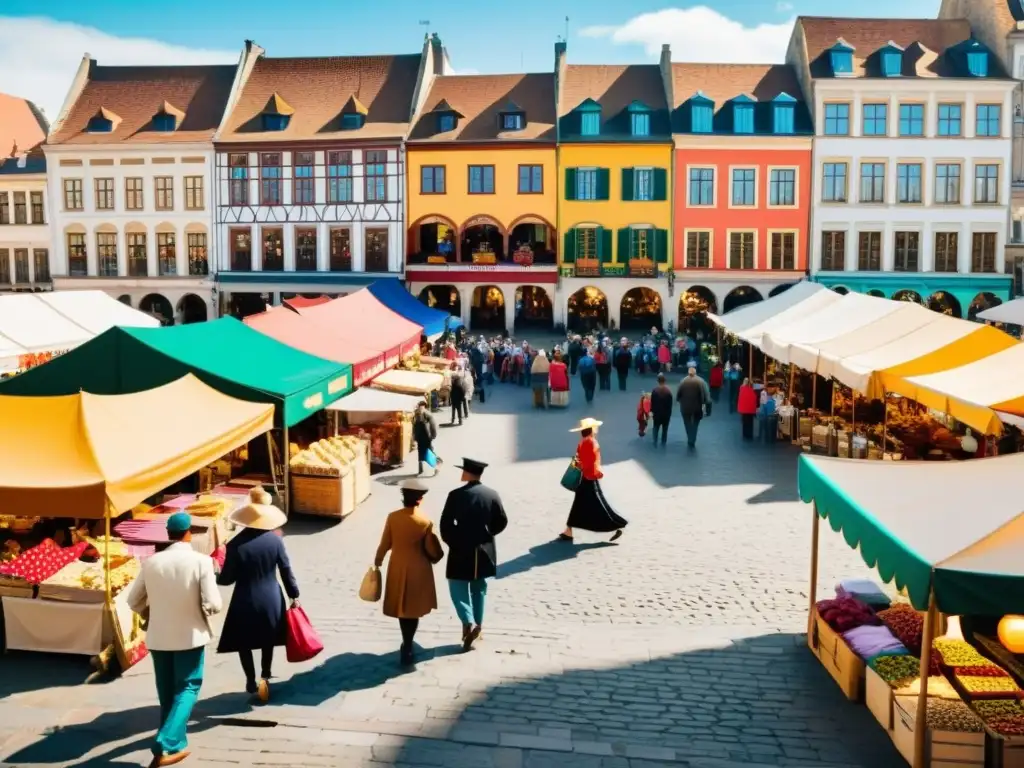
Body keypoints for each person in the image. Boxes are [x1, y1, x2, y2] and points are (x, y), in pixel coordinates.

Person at [127, 512, 222, 767]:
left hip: (159, 637)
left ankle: (174, 743)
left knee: (167, 691)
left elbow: (133, 601)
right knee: (189, 687)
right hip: (189, 636)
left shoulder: (151, 563)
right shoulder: (201, 561)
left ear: (168, 535)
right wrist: (203, 610)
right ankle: (165, 742)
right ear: (189, 532)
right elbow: (214, 603)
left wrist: (153, 611)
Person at [216, 487, 299, 703]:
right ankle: (265, 675)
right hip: (271, 596)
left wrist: (216, 570)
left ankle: (250, 678)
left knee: (244, 642)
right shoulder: (276, 541)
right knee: (267, 640)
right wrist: (294, 595)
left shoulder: (235, 545)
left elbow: (226, 580)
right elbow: (286, 570)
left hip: (244, 598)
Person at [439, 458, 508, 651]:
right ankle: (478, 625)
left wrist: (452, 541)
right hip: (484, 550)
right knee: (479, 589)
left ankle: (467, 621)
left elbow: (445, 523)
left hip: (461, 548)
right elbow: (502, 521)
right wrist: (488, 533)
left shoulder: (455, 495)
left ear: (468, 473)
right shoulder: (492, 495)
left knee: (457, 586)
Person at [375, 479, 442, 666]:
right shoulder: (425, 521)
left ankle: (406, 642)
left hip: (397, 567)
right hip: (419, 569)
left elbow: (385, 543)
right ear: (420, 500)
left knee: (401, 607)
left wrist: (377, 561)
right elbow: (432, 549)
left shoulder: (392, 517)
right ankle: (409, 644)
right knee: (413, 610)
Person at [561, 418, 627, 543]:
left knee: (592, 505)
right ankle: (568, 531)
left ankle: (616, 526)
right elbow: (590, 460)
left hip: (586, 477)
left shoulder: (584, 442)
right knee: (590, 504)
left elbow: (581, 461)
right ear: (591, 429)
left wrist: (578, 465)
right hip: (590, 477)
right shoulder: (591, 442)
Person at [676, 366, 712, 449]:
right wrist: (708, 409)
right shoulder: (701, 381)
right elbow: (707, 397)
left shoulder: (683, 381)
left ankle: (690, 437)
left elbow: (678, 395)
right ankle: (692, 439)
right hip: (697, 407)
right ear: (695, 373)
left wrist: (680, 400)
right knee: (695, 423)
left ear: (688, 373)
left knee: (687, 423)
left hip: (685, 407)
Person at [413, 400, 440, 476]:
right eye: (419, 406)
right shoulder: (416, 414)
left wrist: (433, 435)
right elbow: (415, 427)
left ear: (424, 406)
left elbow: (433, 426)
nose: (419, 407)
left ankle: (437, 468)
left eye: (420, 406)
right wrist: (414, 437)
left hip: (427, 437)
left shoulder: (428, 414)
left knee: (429, 452)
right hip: (420, 437)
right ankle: (420, 470)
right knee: (420, 453)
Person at [649, 373, 674, 446]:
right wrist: (669, 414)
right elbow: (670, 405)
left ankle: (655, 441)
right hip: (666, 414)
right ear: (664, 381)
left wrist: (651, 411)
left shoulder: (655, 391)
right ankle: (663, 442)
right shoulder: (668, 392)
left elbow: (652, 403)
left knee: (656, 427)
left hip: (657, 413)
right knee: (665, 429)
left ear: (658, 381)